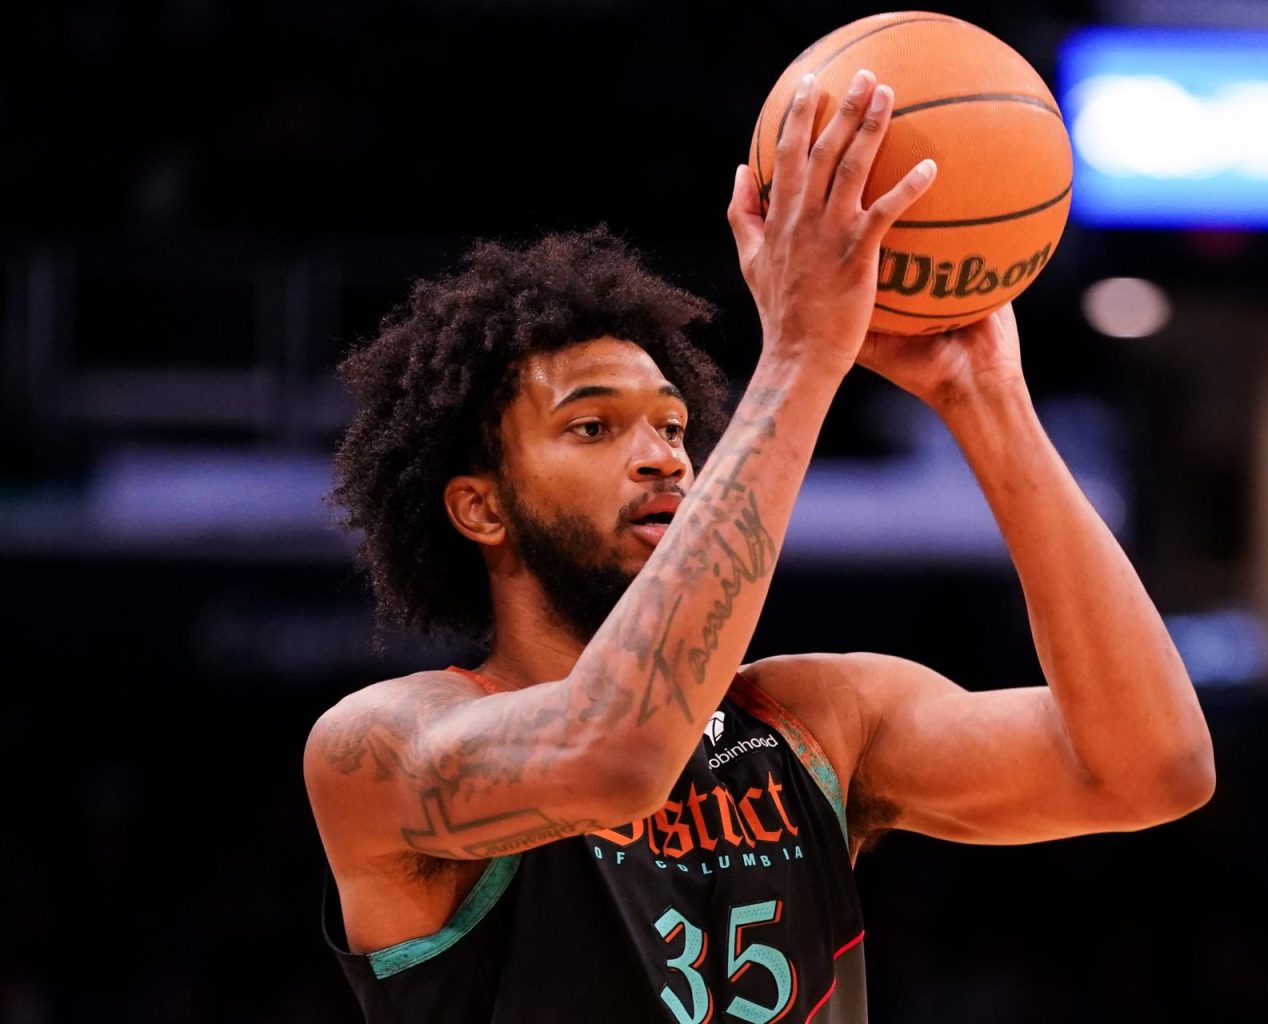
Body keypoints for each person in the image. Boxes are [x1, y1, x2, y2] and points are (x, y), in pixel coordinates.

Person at [304, 70, 1215, 1023]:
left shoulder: (817, 721)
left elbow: (1151, 768)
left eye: (672, 425)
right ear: (480, 509)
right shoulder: (383, 748)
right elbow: (615, 753)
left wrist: (984, 394)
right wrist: (799, 357)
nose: (662, 456)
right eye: (593, 428)